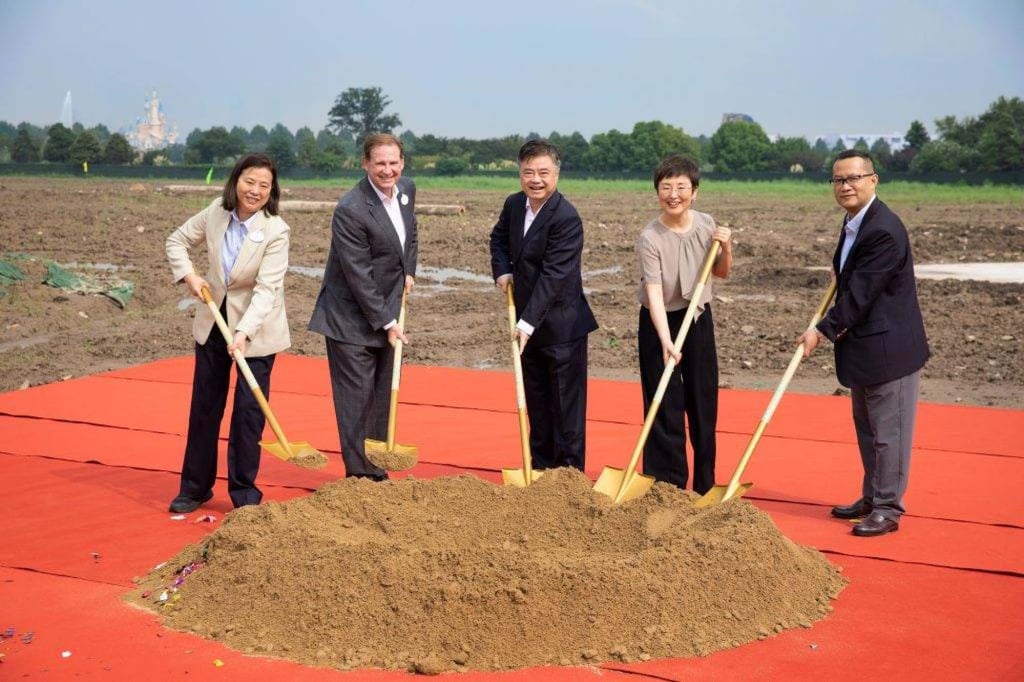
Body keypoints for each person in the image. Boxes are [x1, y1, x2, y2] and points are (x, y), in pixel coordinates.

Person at [800, 149, 929, 537]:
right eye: (839, 180)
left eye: (854, 178)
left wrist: (821, 330)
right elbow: (849, 277)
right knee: (868, 430)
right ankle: (873, 496)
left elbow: (860, 294)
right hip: (865, 348)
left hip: (891, 350)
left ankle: (888, 509)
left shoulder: (884, 229)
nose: (846, 186)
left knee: (890, 435)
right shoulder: (854, 221)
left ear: (873, 179)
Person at [165, 153, 290, 513]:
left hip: (258, 329)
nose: (255, 190)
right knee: (205, 406)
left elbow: (267, 290)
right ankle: (195, 487)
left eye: (264, 185)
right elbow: (176, 241)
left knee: (249, 412)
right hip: (214, 321)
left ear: (271, 191)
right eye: (249, 181)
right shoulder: (216, 213)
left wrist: (244, 333)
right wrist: (190, 275)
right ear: (236, 180)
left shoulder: (276, 231)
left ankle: (244, 493)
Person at [308, 133, 417, 481]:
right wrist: (387, 322)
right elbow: (358, 274)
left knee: (382, 395)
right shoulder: (351, 209)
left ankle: (376, 467)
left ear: (402, 162)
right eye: (380, 163)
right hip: (349, 319)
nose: (388, 170)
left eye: (394, 162)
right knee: (357, 399)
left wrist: (409, 271)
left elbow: (410, 235)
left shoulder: (406, 191)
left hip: (387, 308)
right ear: (365, 164)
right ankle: (359, 477)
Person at [489, 139, 598, 471]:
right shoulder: (513, 205)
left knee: (565, 412)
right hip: (528, 327)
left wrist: (526, 322)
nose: (536, 180)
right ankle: (539, 473)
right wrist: (503, 269)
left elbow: (555, 275)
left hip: (561, 328)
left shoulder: (565, 217)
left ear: (557, 173)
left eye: (543, 172)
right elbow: (497, 239)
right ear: (520, 173)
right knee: (536, 405)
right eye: (528, 172)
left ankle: (569, 480)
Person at [635, 155, 732, 495]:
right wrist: (665, 340)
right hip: (659, 322)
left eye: (681, 187)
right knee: (664, 404)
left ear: (694, 192)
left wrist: (726, 245)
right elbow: (655, 294)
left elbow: (720, 272)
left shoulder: (707, 225)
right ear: (657, 191)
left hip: (698, 319)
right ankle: (668, 486)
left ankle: (705, 486)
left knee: (703, 401)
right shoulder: (650, 237)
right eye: (666, 187)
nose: (673, 194)